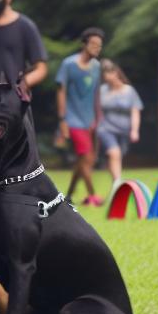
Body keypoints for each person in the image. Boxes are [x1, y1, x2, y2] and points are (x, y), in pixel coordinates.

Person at [55, 28, 105, 206]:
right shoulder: (69, 64)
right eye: (93, 44)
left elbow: (96, 93)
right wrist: (62, 120)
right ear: (84, 44)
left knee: (84, 159)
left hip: (89, 120)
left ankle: (68, 196)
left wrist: (98, 117)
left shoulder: (97, 67)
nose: (96, 48)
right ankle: (93, 195)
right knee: (86, 157)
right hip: (72, 119)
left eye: (99, 46)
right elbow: (61, 91)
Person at [97, 59, 142, 190]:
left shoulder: (129, 91)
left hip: (124, 130)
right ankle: (117, 184)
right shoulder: (102, 90)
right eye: (105, 75)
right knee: (114, 153)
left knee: (118, 155)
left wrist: (135, 130)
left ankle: (115, 182)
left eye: (109, 74)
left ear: (116, 73)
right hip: (105, 128)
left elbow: (135, 111)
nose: (107, 78)